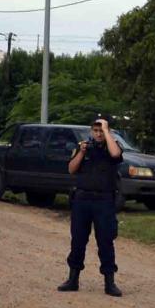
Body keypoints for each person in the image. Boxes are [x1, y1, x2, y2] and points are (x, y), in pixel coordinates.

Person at [58, 116, 124, 297]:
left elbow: (116, 155)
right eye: (96, 130)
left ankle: (109, 282)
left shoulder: (112, 147)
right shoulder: (83, 147)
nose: (98, 134)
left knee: (105, 241)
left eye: (101, 130)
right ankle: (73, 279)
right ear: (91, 131)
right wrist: (81, 152)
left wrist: (107, 131)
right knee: (78, 240)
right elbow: (71, 169)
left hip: (104, 200)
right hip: (82, 200)